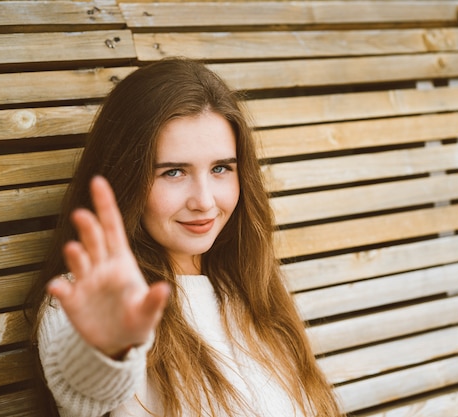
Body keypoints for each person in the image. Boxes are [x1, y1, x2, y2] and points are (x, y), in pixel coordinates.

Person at [28, 58, 343, 417]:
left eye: (221, 168)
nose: (205, 201)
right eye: (174, 172)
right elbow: (87, 386)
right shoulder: (86, 299)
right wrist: (110, 352)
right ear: (125, 178)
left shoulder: (249, 285)